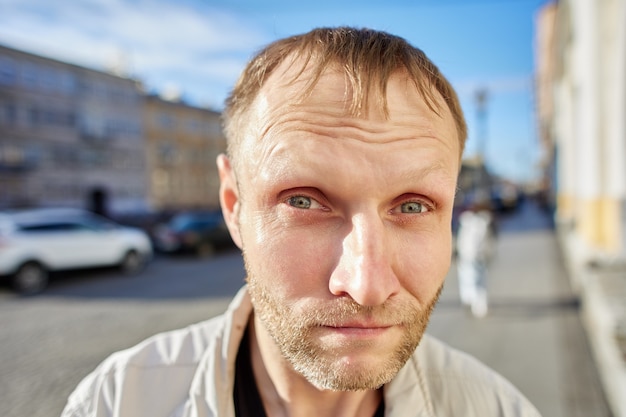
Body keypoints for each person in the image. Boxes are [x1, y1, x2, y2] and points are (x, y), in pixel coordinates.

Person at [61, 27, 541, 417]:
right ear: (234, 206)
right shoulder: (115, 403)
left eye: (412, 206)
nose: (366, 285)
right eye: (304, 201)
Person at [456, 197, 497, 317]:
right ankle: (478, 306)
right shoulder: (483, 223)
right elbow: (488, 241)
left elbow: (461, 239)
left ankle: (470, 299)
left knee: (467, 277)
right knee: (480, 280)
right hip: (478, 256)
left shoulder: (466, 222)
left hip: (467, 255)